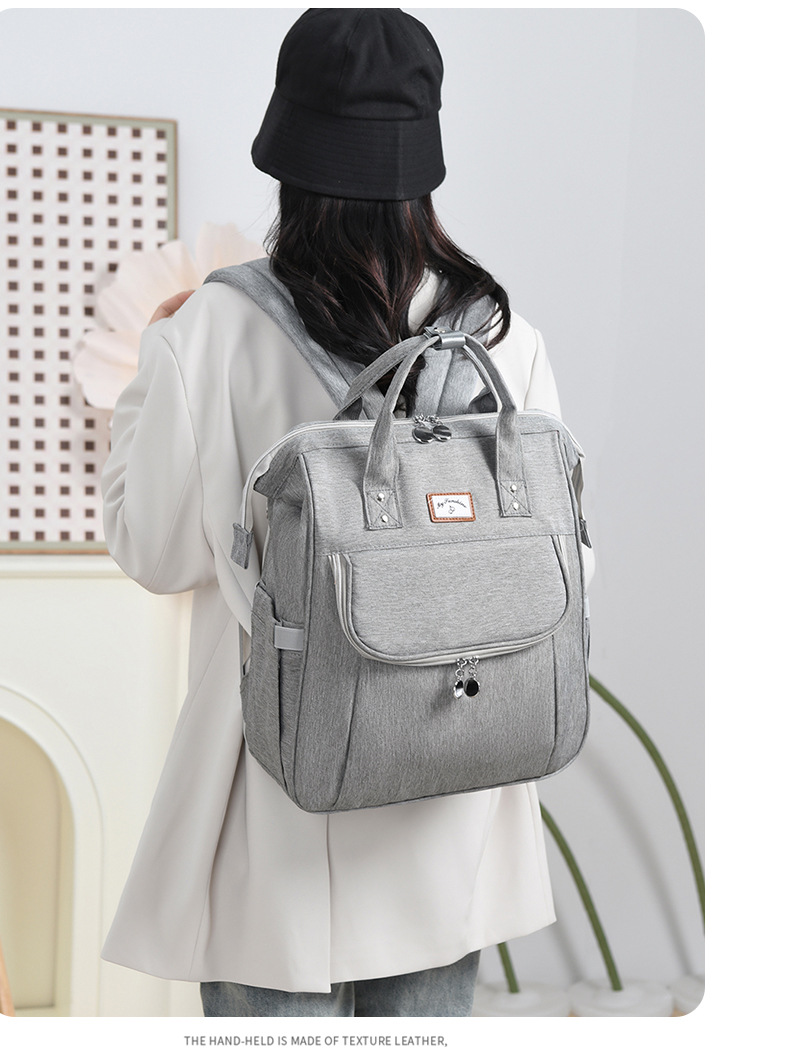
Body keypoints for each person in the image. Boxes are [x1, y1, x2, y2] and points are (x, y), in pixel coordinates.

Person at [101, 9, 574, 1018]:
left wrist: (151, 368)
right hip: (454, 777)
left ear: (289, 152)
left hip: (279, 790)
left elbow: (155, 549)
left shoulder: (213, 329)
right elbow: (566, 562)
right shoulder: (500, 336)